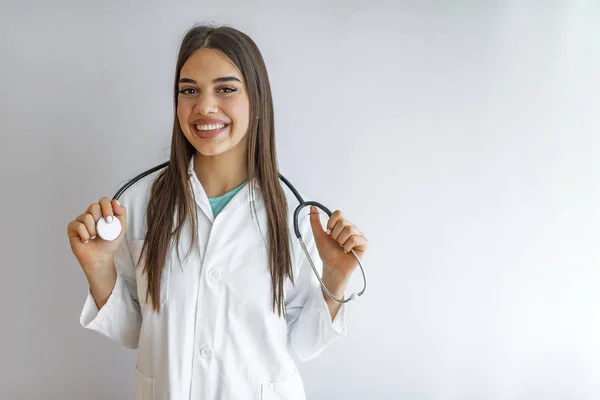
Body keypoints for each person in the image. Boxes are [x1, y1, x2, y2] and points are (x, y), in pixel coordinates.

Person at [66, 24, 369, 400]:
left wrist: (336, 279)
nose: (204, 106)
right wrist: (98, 269)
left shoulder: (295, 217)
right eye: (188, 90)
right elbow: (135, 332)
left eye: (225, 89)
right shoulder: (137, 205)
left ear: (256, 100)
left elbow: (302, 343)